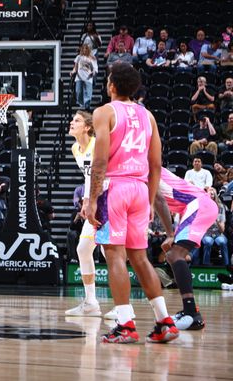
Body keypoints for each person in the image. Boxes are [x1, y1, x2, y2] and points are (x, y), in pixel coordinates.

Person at [82, 62, 179, 344]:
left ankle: (125, 324)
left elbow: (99, 160)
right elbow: (156, 164)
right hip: (139, 188)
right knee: (139, 256)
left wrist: (92, 198)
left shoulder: (104, 112)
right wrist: (149, 202)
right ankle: (164, 321)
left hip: (115, 188)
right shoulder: (147, 115)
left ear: (112, 85)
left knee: (114, 255)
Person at [156, 167, 219, 331]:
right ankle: (190, 311)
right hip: (193, 207)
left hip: (198, 204)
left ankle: (191, 314)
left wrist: (170, 233)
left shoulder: (143, 165)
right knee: (172, 255)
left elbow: (158, 200)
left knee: (175, 254)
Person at [64, 111, 101, 317]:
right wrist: (86, 200)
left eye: (76, 120)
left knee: (109, 253)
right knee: (84, 249)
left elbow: (100, 176)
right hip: (95, 203)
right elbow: (88, 178)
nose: (72, 122)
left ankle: (124, 307)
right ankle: (91, 302)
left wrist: (90, 200)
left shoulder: (98, 144)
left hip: (108, 201)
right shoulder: (75, 148)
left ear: (87, 127)